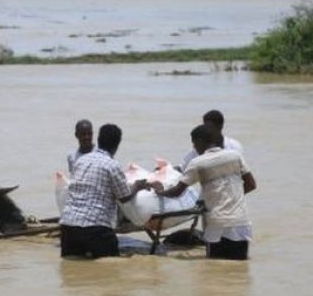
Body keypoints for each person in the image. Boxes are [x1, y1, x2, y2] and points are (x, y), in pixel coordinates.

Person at [157, 124, 257, 260]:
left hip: (216, 223)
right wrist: (230, 197)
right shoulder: (235, 156)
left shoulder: (198, 163)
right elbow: (251, 185)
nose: (194, 148)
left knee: (215, 267)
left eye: (194, 144)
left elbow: (177, 192)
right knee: (239, 268)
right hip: (240, 222)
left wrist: (159, 191)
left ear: (199, 141)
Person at [59, 123, 154, 258]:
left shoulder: (81, 161)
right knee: (111, 268)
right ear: (117, 145)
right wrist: (137, 186)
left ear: (98, 139)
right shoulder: (112, 165)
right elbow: (124, 197)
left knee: (71, 270)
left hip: (68, 227)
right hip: (96, 228)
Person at [178, 109, 243, 172]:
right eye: (205, 127)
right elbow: (183, 168)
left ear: (220, 127)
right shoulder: (199, 147)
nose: (207, 131)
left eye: (210, 128)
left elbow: (241, 170)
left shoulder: (234, 147)